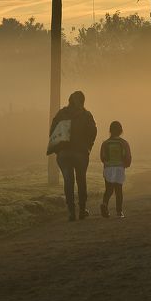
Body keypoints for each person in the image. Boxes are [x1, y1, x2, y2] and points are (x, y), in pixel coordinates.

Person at [49, 90, 97, 221]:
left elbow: (53, 132)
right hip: (80, 153)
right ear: (83, 101)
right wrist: (88, 147)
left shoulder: (61, 114)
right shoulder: (86, 115)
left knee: (68, 181)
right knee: (81, 180)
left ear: (69, 100)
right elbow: (93, 132)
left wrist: (58, 150)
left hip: (64, 154)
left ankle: (71, 212)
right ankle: (82, 210)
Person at [99, 120, 132, 218]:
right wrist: (126, 164)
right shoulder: (124, 143)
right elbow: (128, 156)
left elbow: (102, 157)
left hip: (108, 169)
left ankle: (104, 204)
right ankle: (119, 212)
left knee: (108, 189)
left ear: (110, 131)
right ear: (121, 131)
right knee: (118, 190)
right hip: (119, 169)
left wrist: (107, 164)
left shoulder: (105, 143)